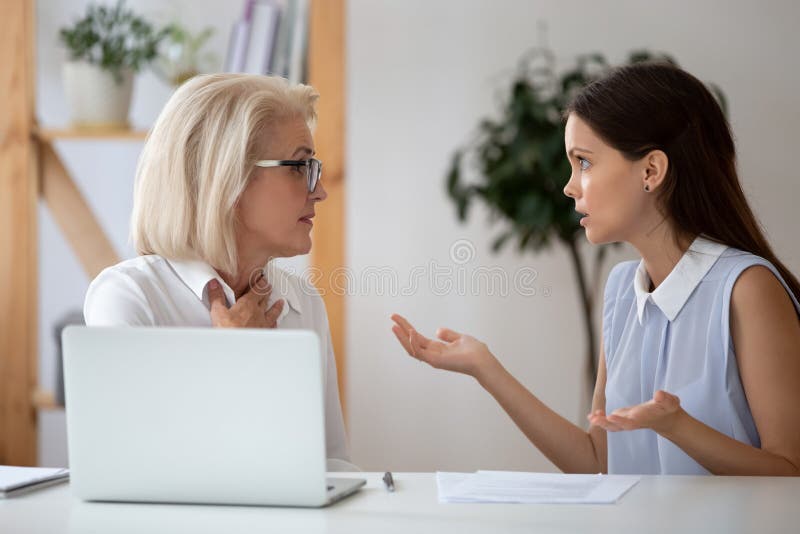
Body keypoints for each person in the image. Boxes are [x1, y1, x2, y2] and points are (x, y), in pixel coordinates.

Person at [392, 63, 800, 475]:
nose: (569, 186)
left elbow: (790, 473)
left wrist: (679, 428)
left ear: (651, 171)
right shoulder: (622, 289)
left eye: (584, 162)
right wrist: (485, 368)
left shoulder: (748, 289)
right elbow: (597, 461)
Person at [84, 73, 350, 465]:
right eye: (300, 166)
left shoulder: (302, 302)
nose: (320, 190)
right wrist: (228, 361)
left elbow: (331, 467)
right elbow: (124, 471)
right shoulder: (129, 300)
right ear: (227, 178)